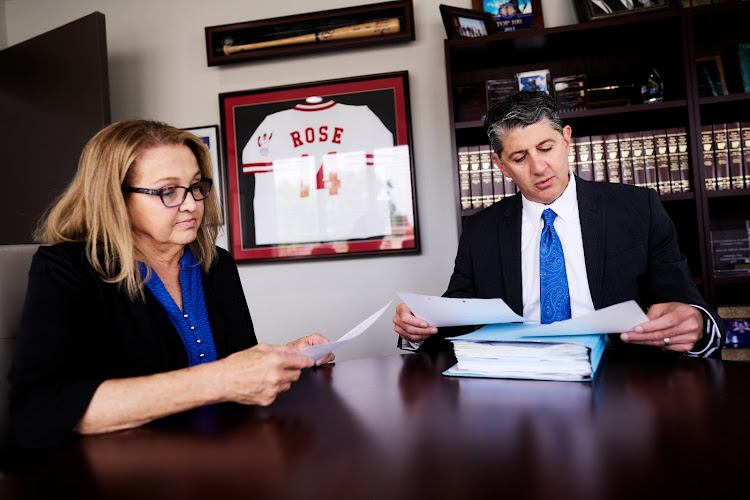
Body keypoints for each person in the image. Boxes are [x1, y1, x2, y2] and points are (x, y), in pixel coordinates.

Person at [8, 120, 334, 451]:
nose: (192, 204)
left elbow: (235, 367)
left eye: (195, 186)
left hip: (222, 454)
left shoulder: (215, 264)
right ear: (116, 198)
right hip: (119, 466)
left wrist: (282, 359)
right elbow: (35, 411)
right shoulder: (66, 269)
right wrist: (220, 380)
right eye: (168, 191)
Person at [393, 91, 725, 358]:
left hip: (623, 377)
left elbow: (689, 306)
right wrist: (417, 328)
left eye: (546, 148)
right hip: (519, 382)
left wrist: (696, 324)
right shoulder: (481, 230)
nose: (538, 167)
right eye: (520, 157)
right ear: (500, 165)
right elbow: (453, 321)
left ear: (566, 140)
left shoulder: (638, 208)